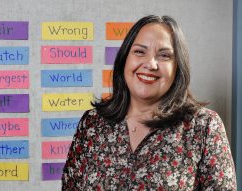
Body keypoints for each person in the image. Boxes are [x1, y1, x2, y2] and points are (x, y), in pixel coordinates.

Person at [61, 15, 237, 190]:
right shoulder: (92, 124)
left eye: (164, 55)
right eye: (139, 52)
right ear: (124, 59)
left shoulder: (203, 126)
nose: (151, 64)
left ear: (177, 68)